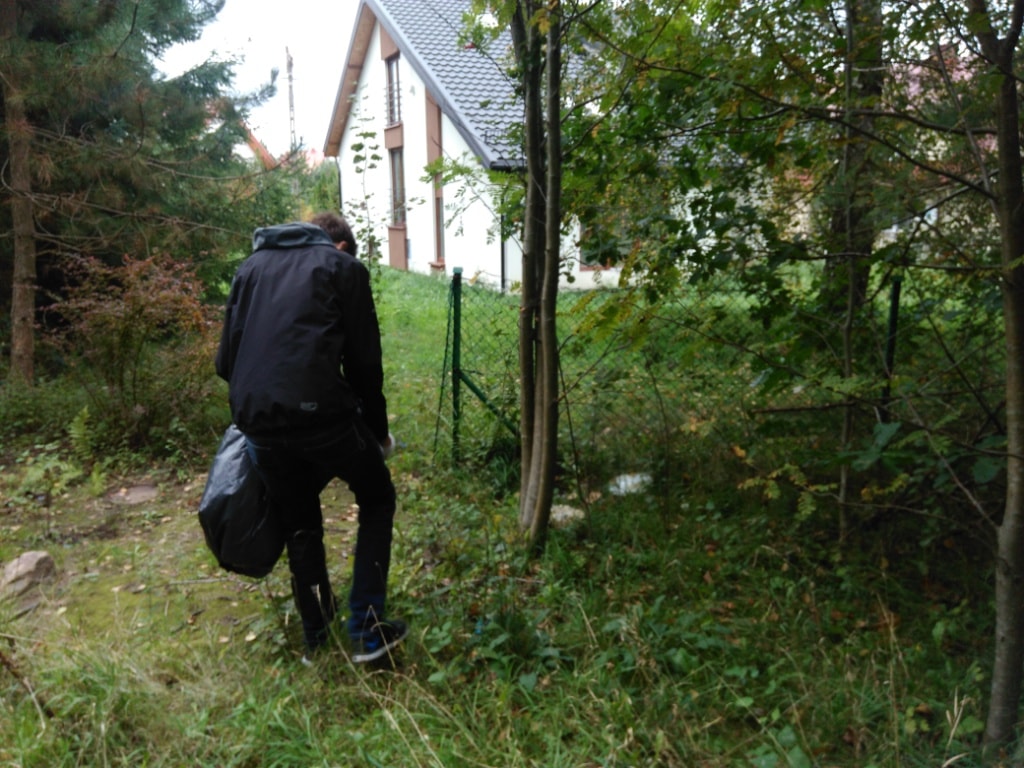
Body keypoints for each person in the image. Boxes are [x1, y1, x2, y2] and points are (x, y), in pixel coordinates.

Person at [214, 211, 407, 664]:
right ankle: (367, 630)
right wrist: (378, 435)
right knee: (377, 498)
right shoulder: (342, 267)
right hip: (324, 420)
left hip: (259, 424)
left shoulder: (250, 268)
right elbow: (364, 365)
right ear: (339, 246)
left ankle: (316, 638)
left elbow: (225, 362)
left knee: (300, 522)